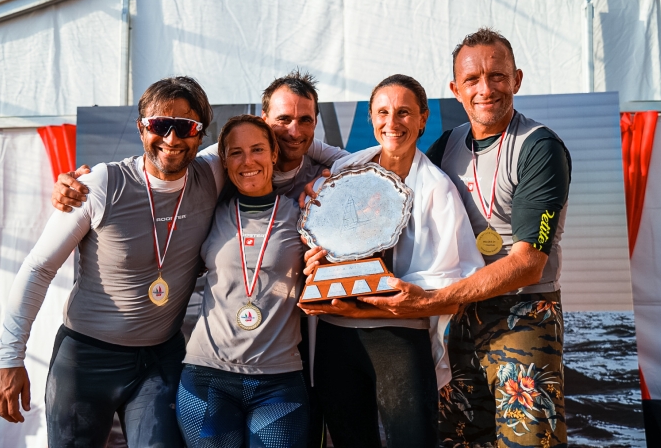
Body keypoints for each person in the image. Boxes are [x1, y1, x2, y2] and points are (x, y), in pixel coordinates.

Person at [53, 70, 344, 447]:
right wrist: (80, 184)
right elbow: (162, 162)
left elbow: (361, 180)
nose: (292, 130)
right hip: (206, 374)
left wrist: (322, 265)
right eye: (282, 120)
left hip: (280, 375)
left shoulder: (314, 201)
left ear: (272, 150)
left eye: (303, 120)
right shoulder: (214, 195)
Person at [357, 28, 572, 448]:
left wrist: (431, 300)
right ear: (456, 89)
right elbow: (390, 211)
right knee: (459, 441)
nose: (485, 89)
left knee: (529, 442)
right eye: (472, 80)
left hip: (523, 312)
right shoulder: (445, 145)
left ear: (517, 79)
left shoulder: (538, 147)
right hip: (457, 319)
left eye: (497, 75)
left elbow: (529, 261)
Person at [0, 76, 223, 446]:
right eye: (160, 125)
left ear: (201, 134)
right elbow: (38, 268)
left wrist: (328, 175)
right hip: (86, 361)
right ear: (141, 128)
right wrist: (7, 358)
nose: (172, 139)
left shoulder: (213, 174)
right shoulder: (101, 184)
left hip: (160, 361)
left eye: (185, 127)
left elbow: (279, 145)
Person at [299, 74, 484, 448]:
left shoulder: (437, 188)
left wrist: (379, 302)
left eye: (404, 112)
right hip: (336, 333)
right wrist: (315, 256)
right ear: (370, 117)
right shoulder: (342, 171)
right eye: (383, 112)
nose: (393, 122)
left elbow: (456, 284)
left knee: (412, 441)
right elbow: (319, 236)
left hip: (398, 338)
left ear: (422, 119)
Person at [176, 114, 310, 447]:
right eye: (235, 152)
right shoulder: (208, 212)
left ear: (274, 154)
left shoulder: (303, 214)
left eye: (257, 149)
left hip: (278, 382)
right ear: (223, 161)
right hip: (207, 378)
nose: (247, 161)